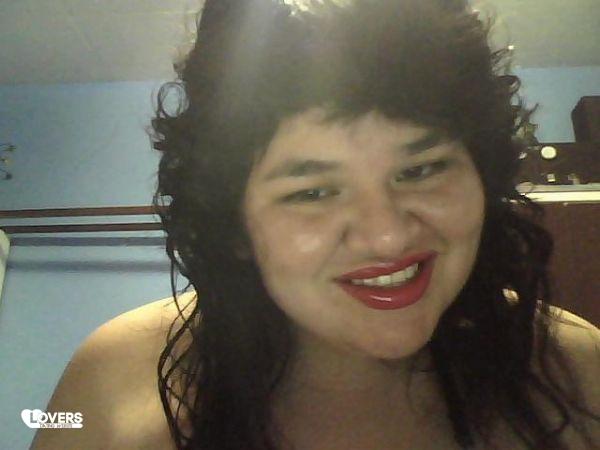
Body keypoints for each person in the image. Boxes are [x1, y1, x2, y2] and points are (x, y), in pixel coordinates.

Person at [32, 0, 600, 449]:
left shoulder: (578, 370)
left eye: (421, 169)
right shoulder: (111, 380)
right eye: (313, 192)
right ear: (234, 223)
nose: (387, 235)